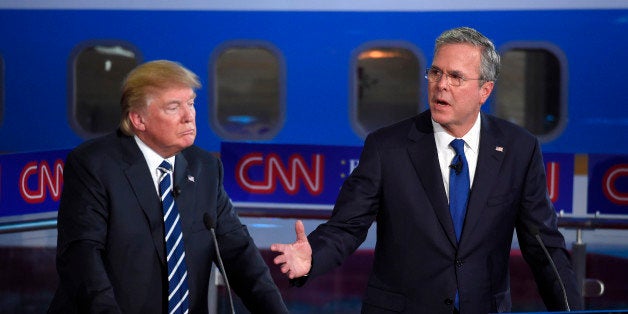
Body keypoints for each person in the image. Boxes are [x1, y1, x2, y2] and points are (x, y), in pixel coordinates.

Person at [271, 27, 582, 313]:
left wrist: (570, 310)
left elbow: (544, 246)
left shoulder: (518, 149)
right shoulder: (387, 147)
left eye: (455, 77)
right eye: (435, 72)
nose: (441, 85)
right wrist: (313, 257)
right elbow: (347, 226)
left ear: (484, 91)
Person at [48, 60, 288, 314]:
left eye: (191, 103)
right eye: (174, 107)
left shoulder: (205, 167)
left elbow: (240, 255)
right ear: (139, 119)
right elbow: (82, 257)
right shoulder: (94, 164)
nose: (189, 116)